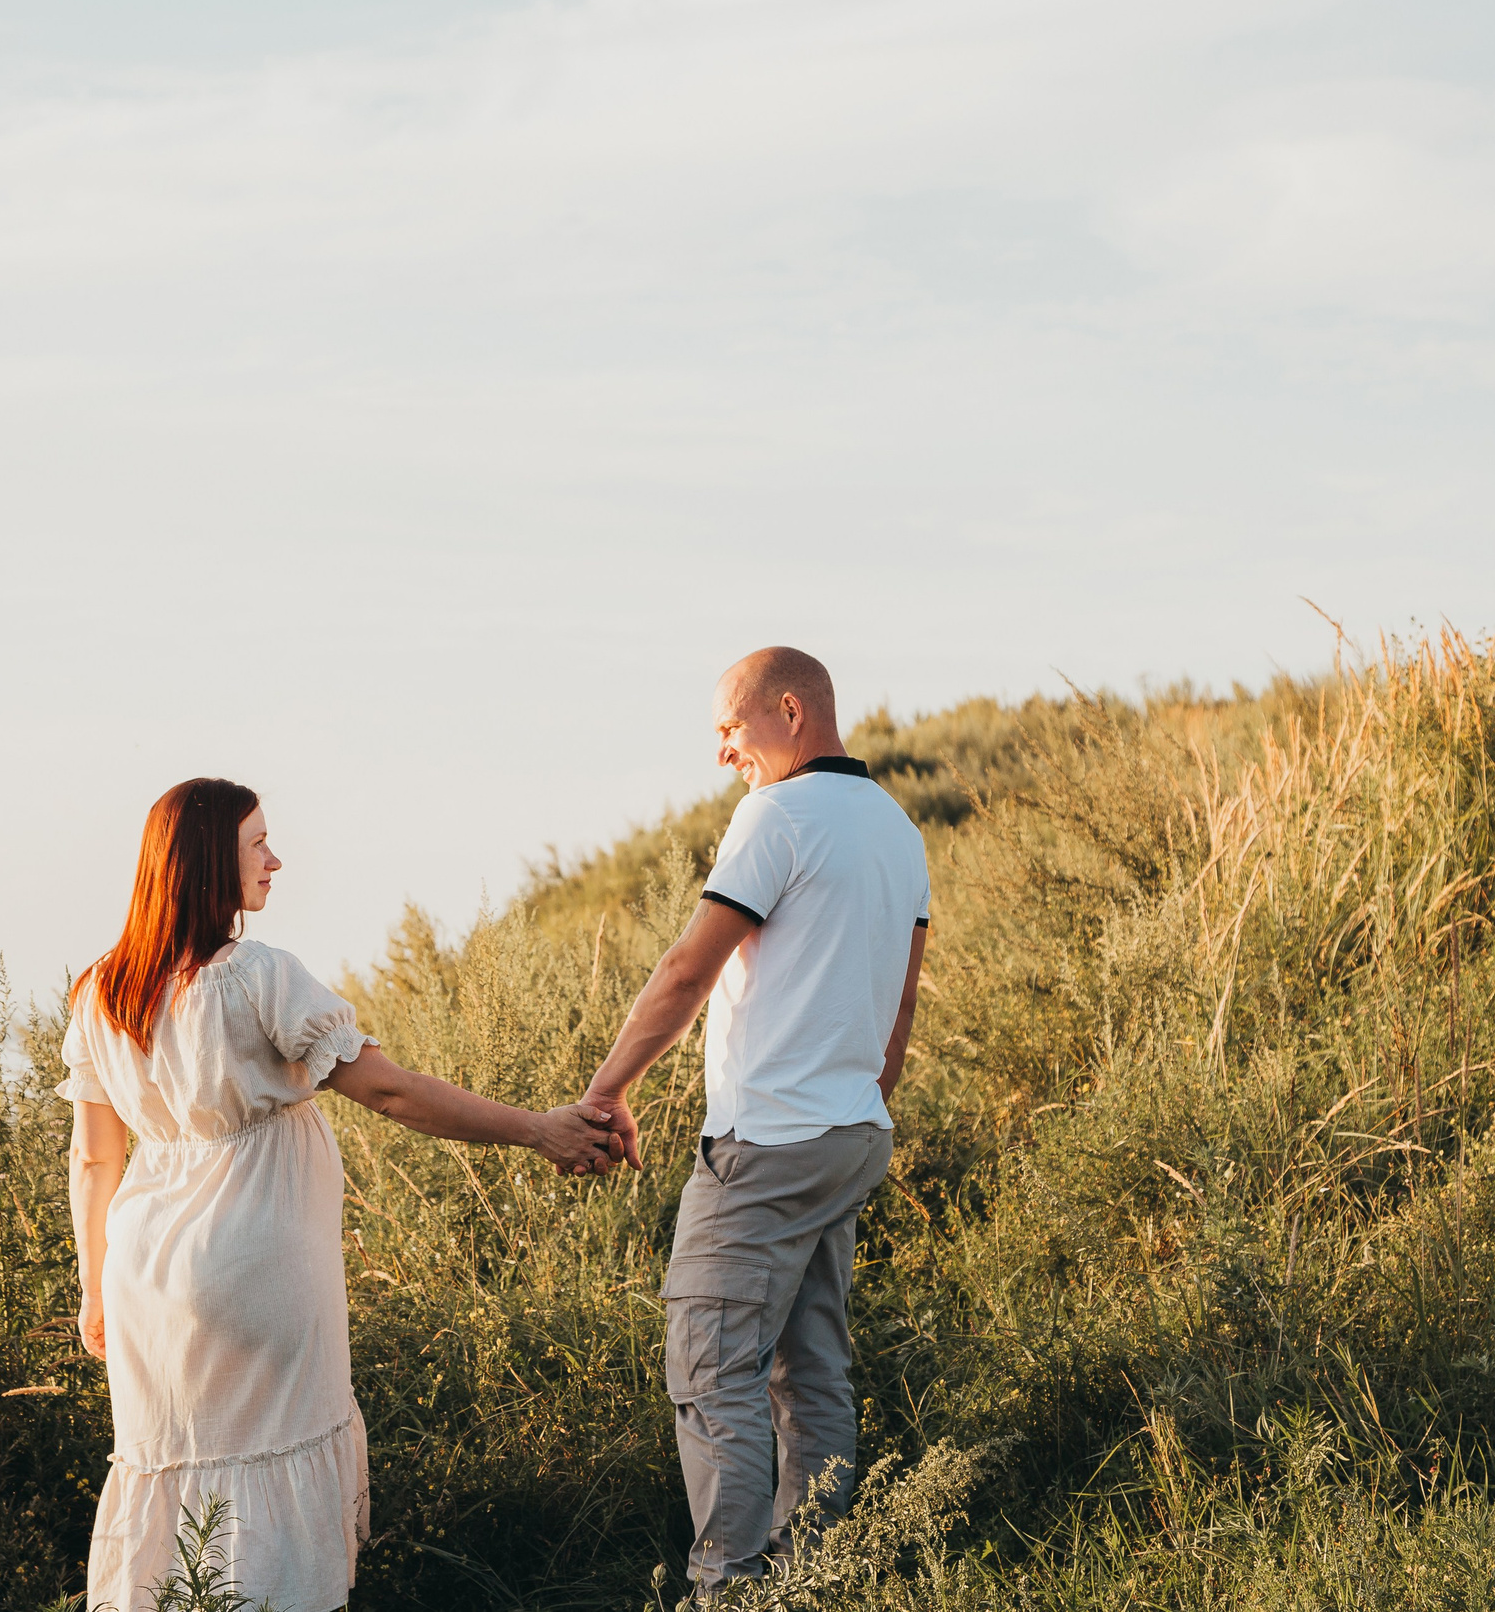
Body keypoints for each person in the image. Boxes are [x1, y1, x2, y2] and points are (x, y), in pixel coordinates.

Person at [60, 777, 619, 1612]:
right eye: (257, 844)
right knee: (269, 1491)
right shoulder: (257, 976)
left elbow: (95, 1160)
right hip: (255, 1265)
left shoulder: (100, 992)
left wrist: (91, 1285)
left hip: (145, 1278)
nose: (275, 859)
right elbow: (392, 1093)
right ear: (209, 861)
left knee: (175, 1479)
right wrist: (538, 1128)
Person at [579, 648, 931, 1601]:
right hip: (851, 1133)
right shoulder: (899, 830)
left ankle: (728, 1591)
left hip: (769, 1143)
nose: (724, 752)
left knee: (711, 1363)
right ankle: (811, 1580)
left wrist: (607, 1089)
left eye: (731, 728)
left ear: (789, 710)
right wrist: (861, 1098)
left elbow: (686, 971)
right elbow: (901, 1004)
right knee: (810, 1367)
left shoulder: (777, 816)